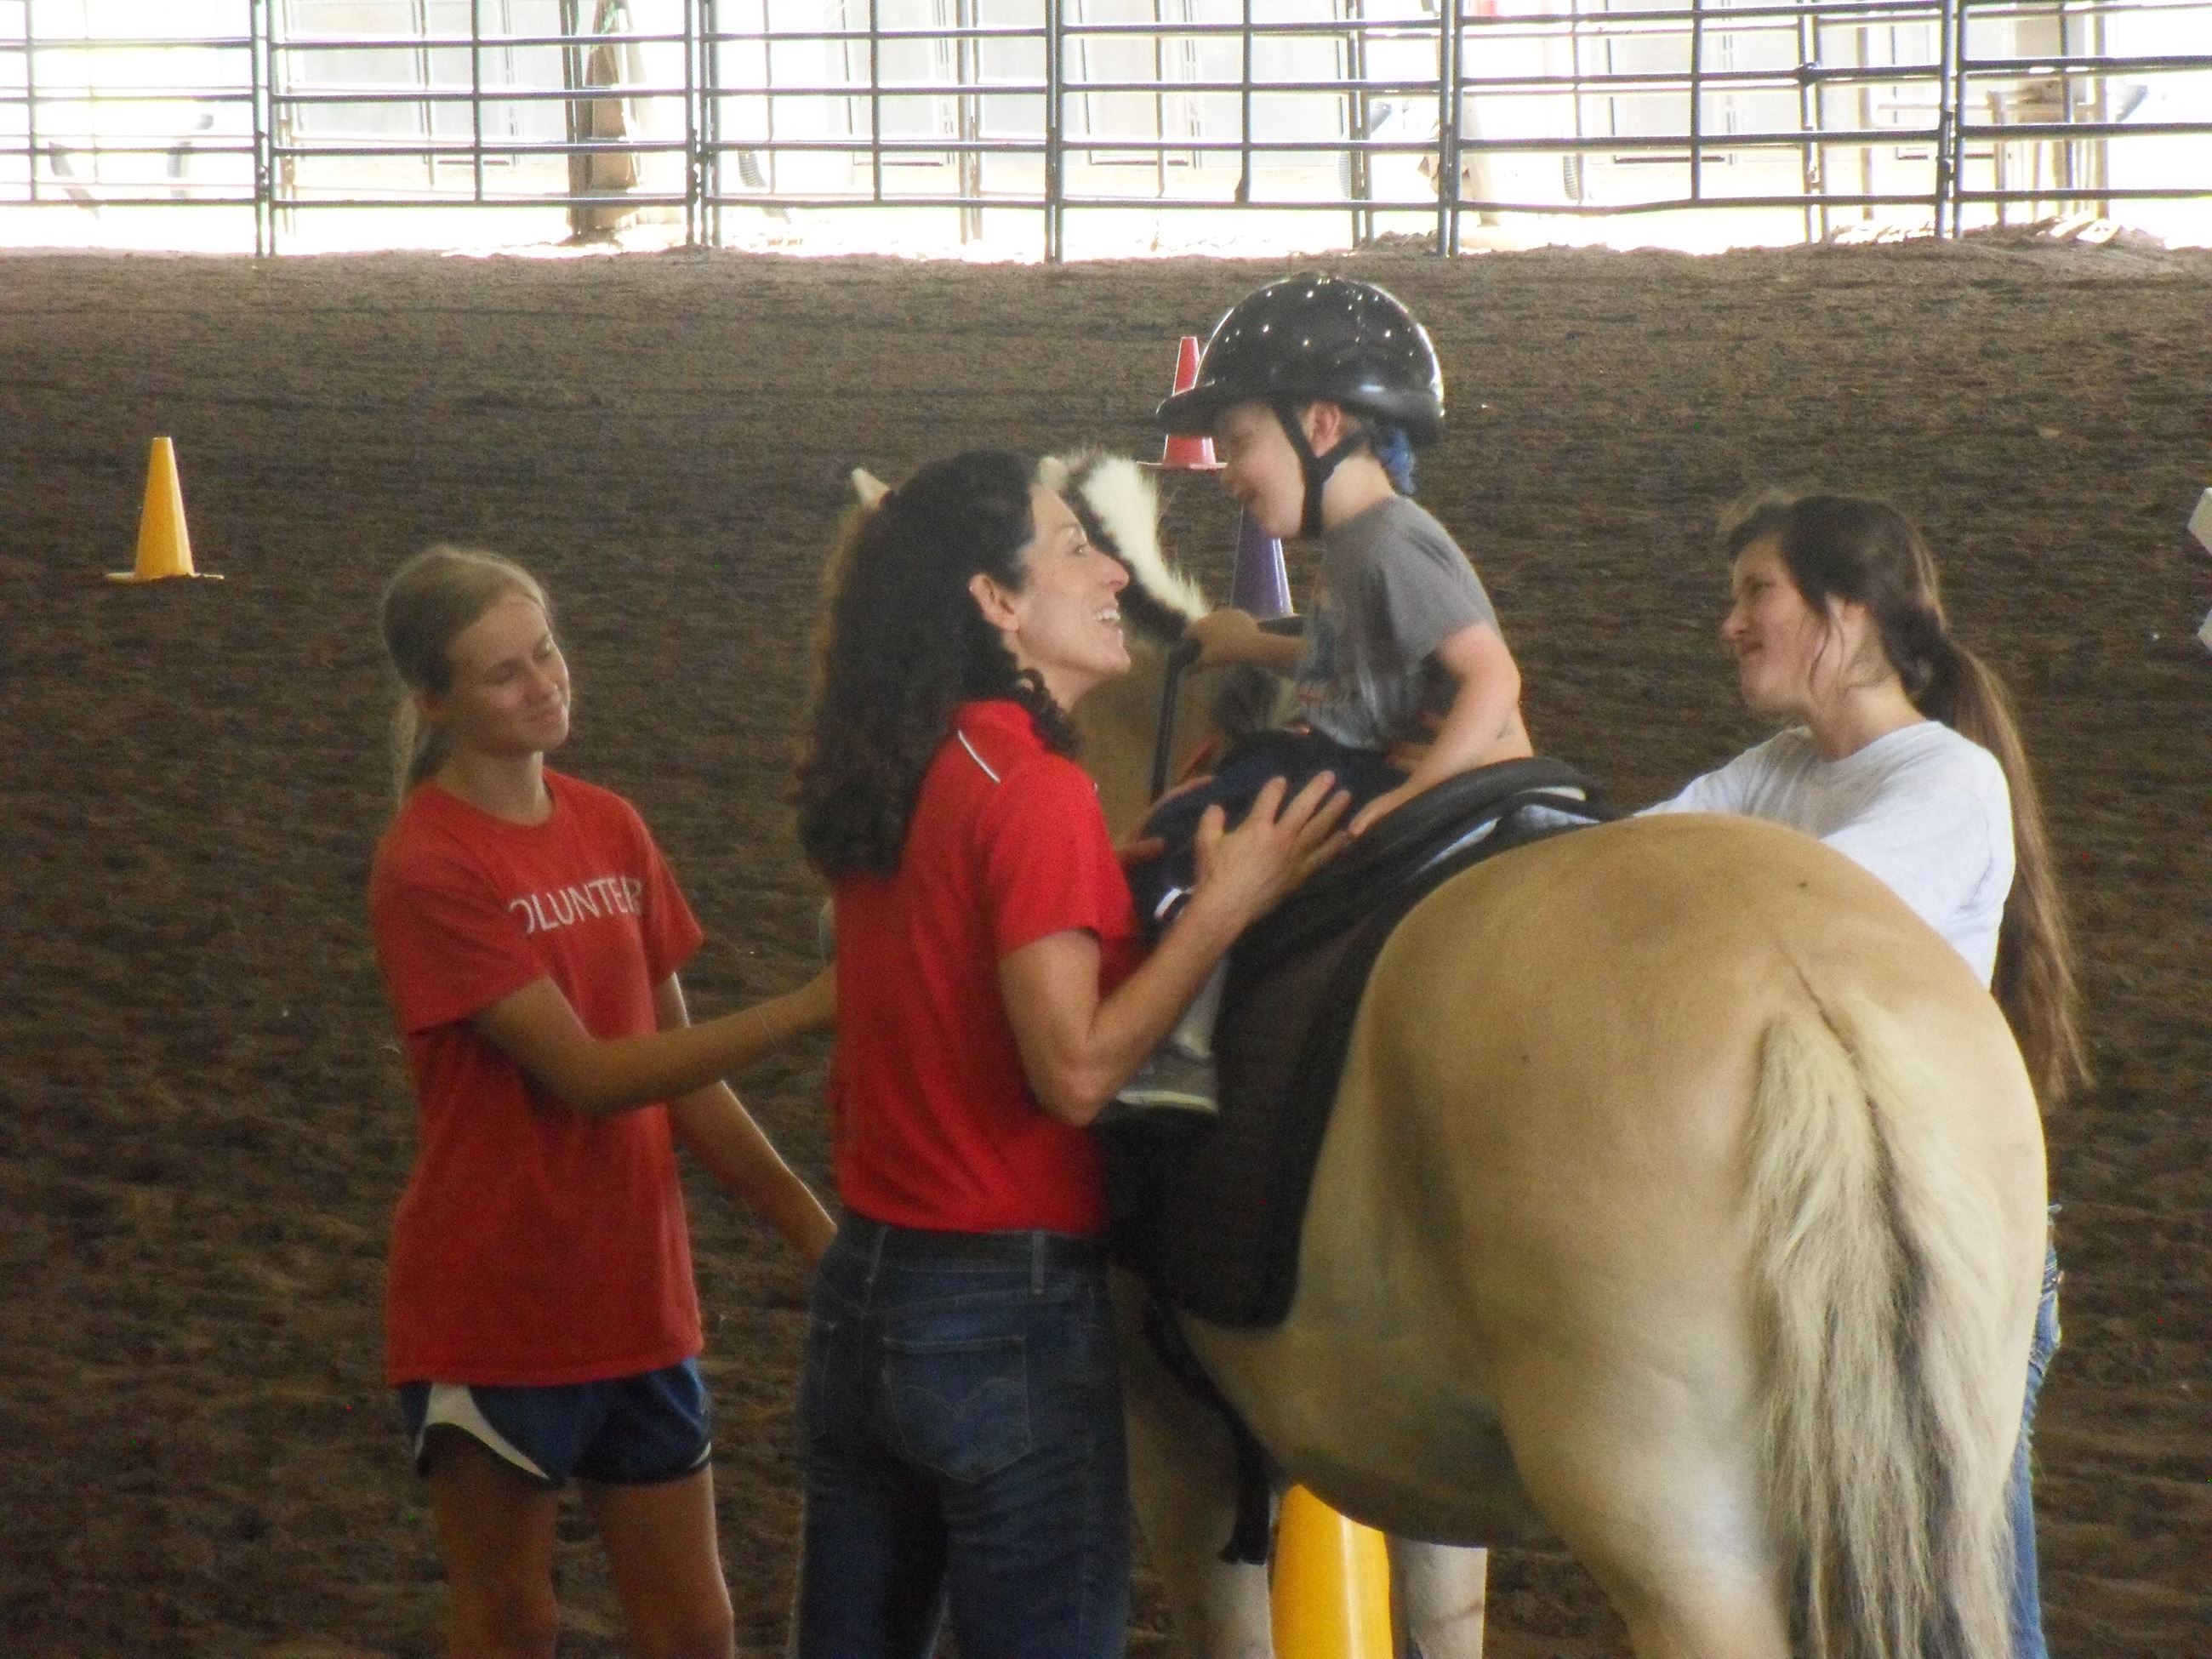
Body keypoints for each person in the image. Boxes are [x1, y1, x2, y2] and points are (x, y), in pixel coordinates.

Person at [786, 449, 1348, 1659]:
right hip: (1002, 1315)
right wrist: (1225, 903)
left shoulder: (905, 766)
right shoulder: (1031, 795)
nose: (1109, 572)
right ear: (995, 603)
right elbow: (1077, 1073)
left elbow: (956, 954)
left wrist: (1102, 881)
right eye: (1073, 549)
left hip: (866, 1295)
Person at [368, 544, 838, 1659]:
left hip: (639, 1297)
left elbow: (676, 1065)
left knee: (696, 1628)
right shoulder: (428, 864)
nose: (545, 682)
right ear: (433, 701)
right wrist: (813, 1004)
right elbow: (588, 1074)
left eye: (546, 651)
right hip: (499, 1307)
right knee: (514, 1619)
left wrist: (803, 1216)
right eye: (503, 674)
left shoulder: (610, 823)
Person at [1646, 490, 2088, 1659]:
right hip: (1837, 1236)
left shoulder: (1945, 783)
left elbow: (1778, 916)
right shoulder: (1782, 768)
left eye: (1758, 593)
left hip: (1935, 1255)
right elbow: (1638, 863)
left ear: (1841, 619)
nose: (1732, 623)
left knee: (1958, 1619)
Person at [1120, 273, 1536, 1110]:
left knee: (1188, 835)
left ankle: (1181, 1041)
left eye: (1237, 442)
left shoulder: (1390, 543)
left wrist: (1418, 793)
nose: (1228, 471)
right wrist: (1247, 640)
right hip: (1345, 748)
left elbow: (1491, 674)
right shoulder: (1359, 542)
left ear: (1320, 425)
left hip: (1361, 768)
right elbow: (1350, 655)